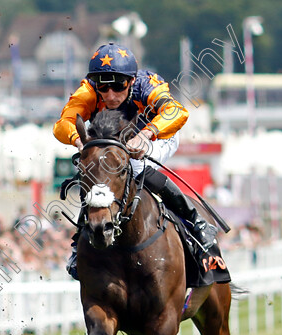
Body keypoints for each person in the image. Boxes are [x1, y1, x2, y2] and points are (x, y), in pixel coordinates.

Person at [54, 42, 218, 279]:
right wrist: (78, 142)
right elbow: (63, 123)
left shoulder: (147, 85)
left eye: (118, 86)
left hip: (158, 134)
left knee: (135, 166)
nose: (110, 95)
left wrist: (145, 135)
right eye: (103, 87)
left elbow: (177, 112)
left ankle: (196, 220)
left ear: (131, 81)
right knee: (94, 171)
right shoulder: (88, 91)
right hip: (114, 141)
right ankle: (80, 239)